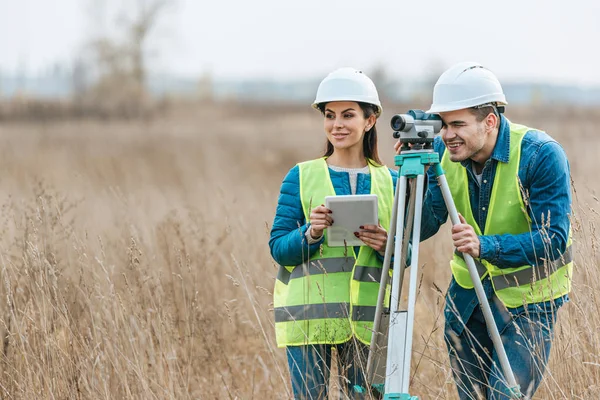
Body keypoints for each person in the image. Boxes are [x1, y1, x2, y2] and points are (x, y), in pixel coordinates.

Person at [396, 62, 573, 399]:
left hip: (529, 307)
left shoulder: (540, 155)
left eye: (458, 124)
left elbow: (554, 240)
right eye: (444, 125)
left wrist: (486, 246)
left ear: (490, 120)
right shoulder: (441, 153)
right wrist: (409, 180)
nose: (448, 135)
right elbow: (427, 220)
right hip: (468, 300)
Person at [269, 67, 397, 399]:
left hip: (367, 319)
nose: (336, 124)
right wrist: (310, 234)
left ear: (369, 121)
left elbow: (406, 253)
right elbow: (278, 248)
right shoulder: (301, 176)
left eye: (347, 115)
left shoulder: (393, 181)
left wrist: (387, 245)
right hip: (309, 317)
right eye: (330, 115)